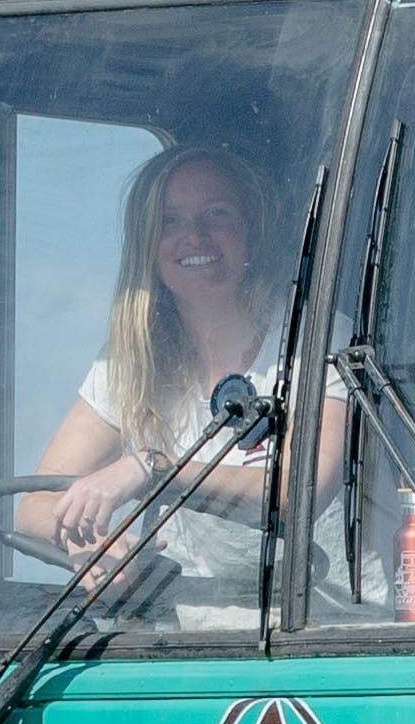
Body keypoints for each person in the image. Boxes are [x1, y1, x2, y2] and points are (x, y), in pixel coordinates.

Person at [25, 141, 292, 553]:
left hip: (333, 615)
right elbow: (33, 509)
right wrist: (91, 543)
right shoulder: (132, 362)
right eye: (169, 221)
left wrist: (153, 468)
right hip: (194, 616)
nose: (194, 237)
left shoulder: (308, 343)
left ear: (251, 230)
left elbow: (293, 494)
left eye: (215, 214)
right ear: (146, 246)